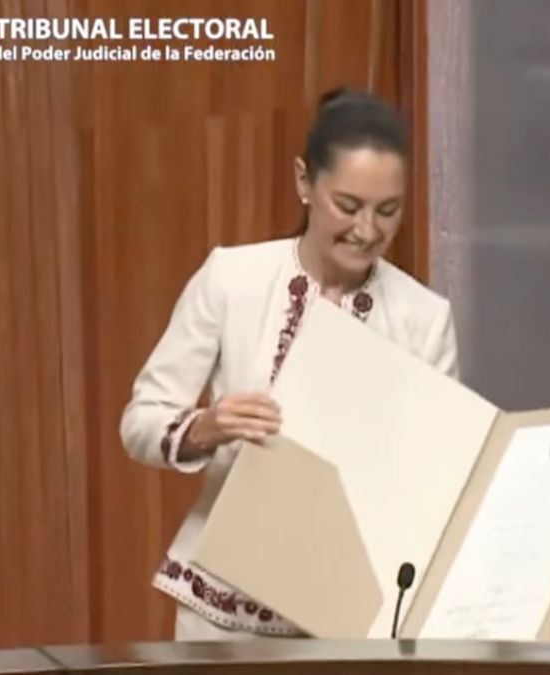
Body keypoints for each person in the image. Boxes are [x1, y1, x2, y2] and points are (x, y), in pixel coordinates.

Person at [119, 87, 459, 642]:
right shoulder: (231, 279)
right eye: (347, 207)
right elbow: (140, 421)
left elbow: (438, 473)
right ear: (304, 181)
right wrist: (208, 427)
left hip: (352, 619)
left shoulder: (426, 318)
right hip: (221, 613)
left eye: (387, 210)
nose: (367, 230)